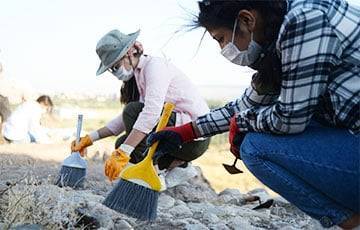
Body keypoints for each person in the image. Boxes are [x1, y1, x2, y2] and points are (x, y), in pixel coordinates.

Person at [146, 0, 360, 228]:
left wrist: (243, 123)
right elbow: (245, 106)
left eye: (221, 39)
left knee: (256, 147)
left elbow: (289, 119)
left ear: (247, 20)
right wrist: (185, 132)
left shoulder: (304, 20)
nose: (222, 50)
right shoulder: (278, 39)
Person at [71, 29, 211, 183]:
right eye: (111, 69)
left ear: (129, 53)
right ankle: (179, 167)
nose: (115, 72)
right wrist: (90, 138)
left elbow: (149, 113)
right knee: (121, 142)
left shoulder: (155, 67)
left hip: (193, 137)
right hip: (180, 139)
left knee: (132, 117)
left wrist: (125, 152)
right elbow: (124, 121)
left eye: (115, 66)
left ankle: (137, 179)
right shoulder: (140, 74)